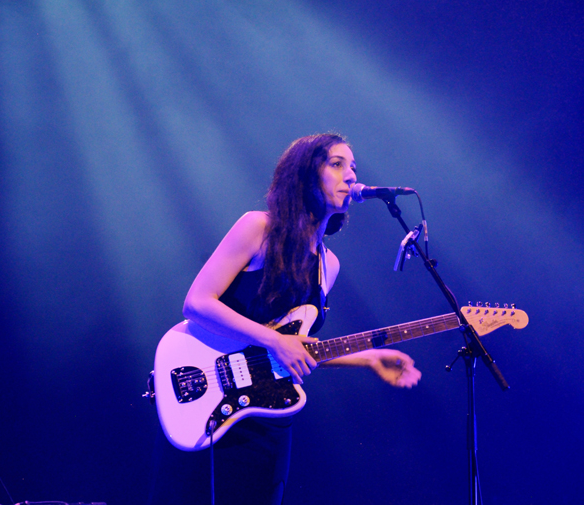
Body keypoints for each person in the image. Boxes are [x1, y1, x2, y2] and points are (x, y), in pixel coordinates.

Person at [152, 132, 421, 505]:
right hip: (209, 402)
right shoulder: (258, 228)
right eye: (337, 164)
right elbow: (197, 303)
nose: (350, 176)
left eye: (353, 167)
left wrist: (369, 358)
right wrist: (274, 339)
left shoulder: (330, 265)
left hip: (270, 421)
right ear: (305, 174)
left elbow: (294, 348)